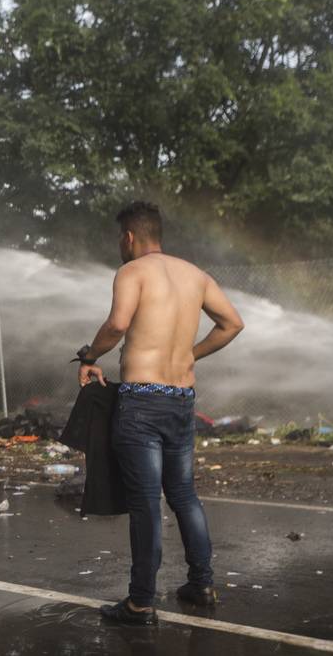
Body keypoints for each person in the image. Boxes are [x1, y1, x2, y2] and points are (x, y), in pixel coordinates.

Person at [76, 201, 243, 624]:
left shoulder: (131, 272)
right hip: (180, 398)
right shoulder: (195, 275)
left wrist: (89, 355)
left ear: (129, 237)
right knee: (184, 494)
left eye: (120, 238)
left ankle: (140, 602)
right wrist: (191, 353)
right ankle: (201, 583)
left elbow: (117, 325)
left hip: (141, 402)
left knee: (146, 503)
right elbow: (232, 324)